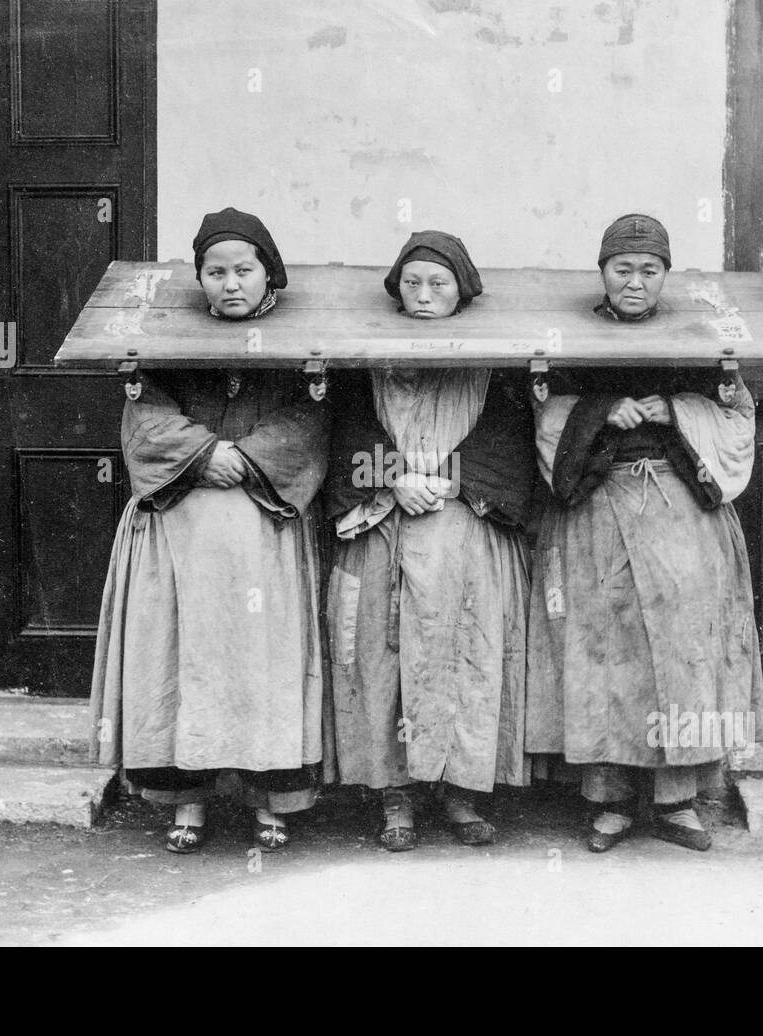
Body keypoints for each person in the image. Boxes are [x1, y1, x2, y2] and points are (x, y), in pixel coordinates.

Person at [90, 208, 330, 854]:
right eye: (215, 272)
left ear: (268, 277)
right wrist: (206, 455)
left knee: (261, 665)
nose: (229, 283)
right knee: (183, 662)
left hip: (264, 539)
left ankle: (267, 799)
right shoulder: (164, 349)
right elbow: (143, 420)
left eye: (243, 270)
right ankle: (186, 799)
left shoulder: (298, 353)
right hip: (180, 535)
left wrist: (245, 460)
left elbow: (309, 422)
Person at [526, 213, 763, 853]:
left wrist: (677, 410)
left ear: (667, 275)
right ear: (601, 273)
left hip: (679, 506)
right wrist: (602, 411)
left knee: (683, 647)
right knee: (602, 647)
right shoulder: (567, 342)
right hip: (599, 505)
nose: (634, 282)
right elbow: (543, 409)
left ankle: (678, 798)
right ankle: (609, 801)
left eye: (649, 271)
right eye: (621, 270)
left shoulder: (702, 341)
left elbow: (737, 412)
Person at [324, 231, 537, 850]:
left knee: (466, 660)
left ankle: (462, 792)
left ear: (461, 292)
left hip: (466, 533)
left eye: (438, 284)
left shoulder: (496, 368)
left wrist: (444, 478)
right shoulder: (364, 360)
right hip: (384, 527)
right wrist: (394, 477)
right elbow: (346, 432)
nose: (423, 295)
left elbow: (506, 443)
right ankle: (396, 797)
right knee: (385, 661)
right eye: (412, 283)